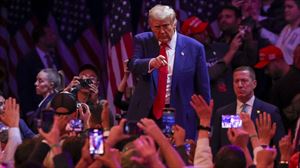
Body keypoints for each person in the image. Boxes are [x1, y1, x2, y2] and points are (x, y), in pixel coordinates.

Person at [126, 4, 211, 139]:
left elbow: (203, 89)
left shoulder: (194, 48)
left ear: (174, 23)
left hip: (181, 115)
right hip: (148, 114)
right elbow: (133, 64)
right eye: (157, 27)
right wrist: (150, 63)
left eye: (166, 26)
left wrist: (205, 124)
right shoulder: (143, 41)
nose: (162, 31)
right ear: (150, 26)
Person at [211, 66, 285, 156]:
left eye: (244, 81)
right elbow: (215, 148)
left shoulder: (269, 112)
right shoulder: (223, 113)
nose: (240, 85)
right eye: (236, 81)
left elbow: (279, 146)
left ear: (254, 84)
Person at [16, 25, 61, 119]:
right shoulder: (27, 60)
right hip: (36, 112)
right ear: (41, 38)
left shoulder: (55, 58)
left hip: (57, 109)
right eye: (50, 35)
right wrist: (29, 112)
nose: (54, 37)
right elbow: (24, 88)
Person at [27, 68, 64, 133]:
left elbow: (47, 127)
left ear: (51, 85)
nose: (35, 84)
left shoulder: (52, 102)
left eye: (40, 81)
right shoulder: (45, 100)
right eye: (36, 80)